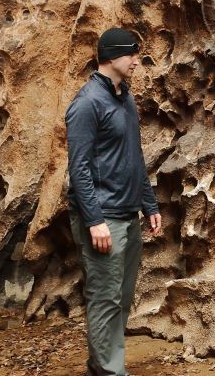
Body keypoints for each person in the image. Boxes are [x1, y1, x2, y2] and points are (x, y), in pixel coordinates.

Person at [65, 27, 163, 375]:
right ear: (111, 57)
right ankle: (110, 371)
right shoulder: (87, 103)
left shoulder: (125, 96)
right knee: (105, 300)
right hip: (103, 217)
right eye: (133, 53)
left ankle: (101, 368)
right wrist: (94, 220)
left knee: (119, 299)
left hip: (127, 212)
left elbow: (133, 155)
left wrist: (149, 203)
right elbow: (78, 170)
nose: (138, 60)